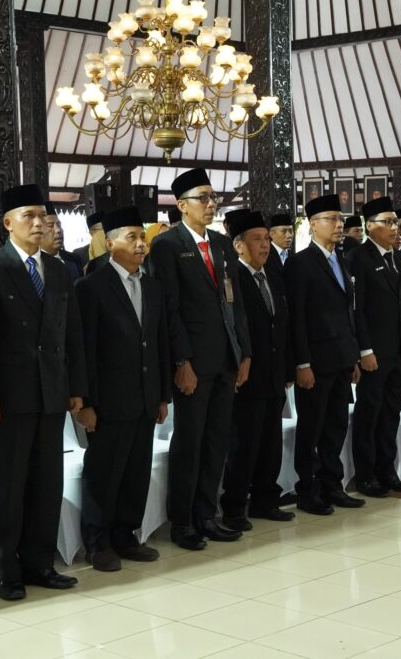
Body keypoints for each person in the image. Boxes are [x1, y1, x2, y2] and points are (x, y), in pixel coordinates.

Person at [0, 184, 87, 601]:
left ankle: (40, 563)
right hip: (10, 397)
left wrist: (77, 388)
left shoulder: (58, 270)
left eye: (43, 216)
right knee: (10, 486)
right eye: (29, 216)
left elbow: (73, 334)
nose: (39, 224)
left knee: (48, 483)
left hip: (52, 392)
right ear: (8, 223)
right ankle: (9, 570)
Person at [148, 169, 252, 549]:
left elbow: (234, 302)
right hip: (194, 362)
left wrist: (244, 352)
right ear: (181, 205)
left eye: (213, 197)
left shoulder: (222, 244)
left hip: (225, 359)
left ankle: (207, 514)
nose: (211, 204)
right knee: (189, 444)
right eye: (202, 198)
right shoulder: (167, 246)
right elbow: (170, 310)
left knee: (216, 441)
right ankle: (182, 522)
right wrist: (182, 362)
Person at [75, 206, 171, 572]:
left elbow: (159, 343)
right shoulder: (92, 287)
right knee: (104, 473)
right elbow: (85, 348)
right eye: (132, 237)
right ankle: (97, 542)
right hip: (108, 401)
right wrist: (86, 402)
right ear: (110, 243)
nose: (141, 244)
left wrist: (162, 395)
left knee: (136, 471)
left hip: (145, 396)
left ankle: (125, 535)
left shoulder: (152, 285)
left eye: (143, 237)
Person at [285, 194, 363, 515]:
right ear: (312, 225)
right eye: (331, 219)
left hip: (341, 358)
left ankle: (333, 484)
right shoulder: (300, 263)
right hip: (315, 361)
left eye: (340, 219)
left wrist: (353, 356)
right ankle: (307, 488)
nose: (338, 224)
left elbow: (348, 312)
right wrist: (302, 362)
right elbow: (297, 318)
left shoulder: (341, 260)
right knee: (311, 428)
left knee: (335, 426)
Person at [220, 211, 295, 530]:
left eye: (266, 239)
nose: (265, 245)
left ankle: (266, 499)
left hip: (274, 374)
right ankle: (235, 506)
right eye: (257, 240)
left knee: (270, 442)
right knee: (244, 445)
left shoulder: (273, 276)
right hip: (248, 376)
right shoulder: (231, 279)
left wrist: (288, 367)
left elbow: (283, 325)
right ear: (238, 246)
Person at [349, 197, 401, 496]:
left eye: (395, 222)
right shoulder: (359, 257)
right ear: (370, 226)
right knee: (370, 413)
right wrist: (364, 350)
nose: (395, 228)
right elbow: (357, 309)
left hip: (397, 350)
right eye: (387, 222)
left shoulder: (399, 257)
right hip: (374, 353)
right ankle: (366, 475)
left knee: (391, 412)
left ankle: (386, 469)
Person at [41, 203, 84, 281]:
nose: (58, 230)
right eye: (50, 226)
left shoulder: (74, 259)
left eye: (59, 225)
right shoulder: (33, 264)